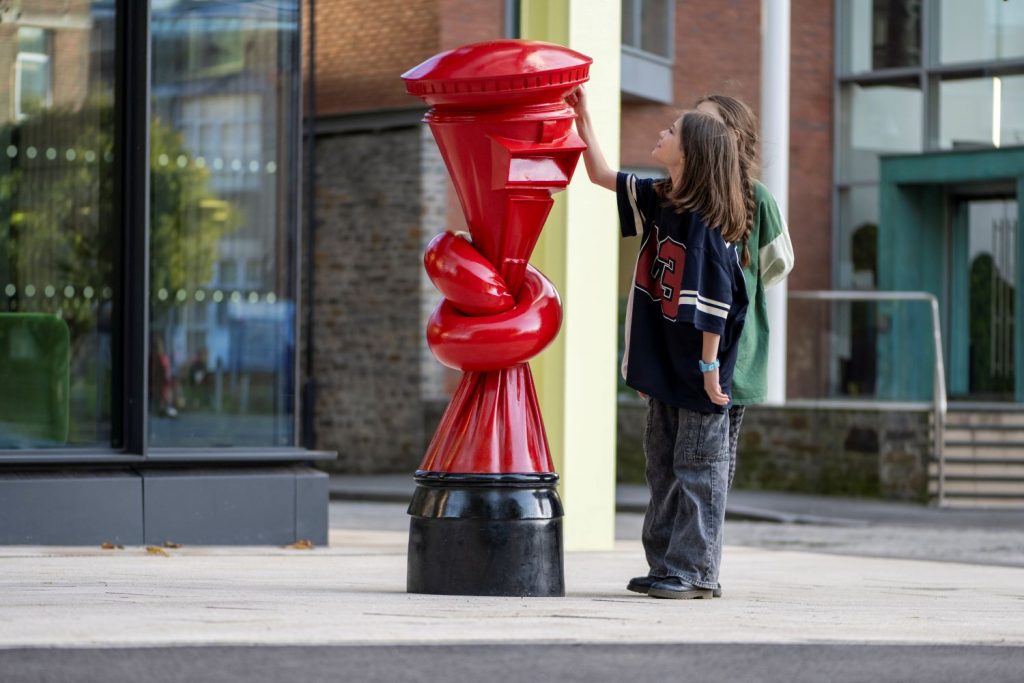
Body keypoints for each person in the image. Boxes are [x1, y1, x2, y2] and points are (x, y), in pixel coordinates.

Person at [567, 86, 749, 600]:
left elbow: (716, 304)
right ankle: (666, 564)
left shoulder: (708, 224)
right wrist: (584, 120)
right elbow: (603, 176)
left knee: (698, 469)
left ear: (690, 154)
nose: (662, 133)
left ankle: (695, 572)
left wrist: (709, 370)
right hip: (667, 367)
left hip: (697, 372)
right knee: (663, 466)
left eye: (672, 132)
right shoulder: (661, 198)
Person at [695, 94, 795, 492]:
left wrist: (742, 296)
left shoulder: (759, 199)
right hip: (687, 357)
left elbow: (779, 262)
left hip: (736, 359)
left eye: (706, 122)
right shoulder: (686, 194)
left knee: (717, 473)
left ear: (733, 138)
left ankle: (702, 553)